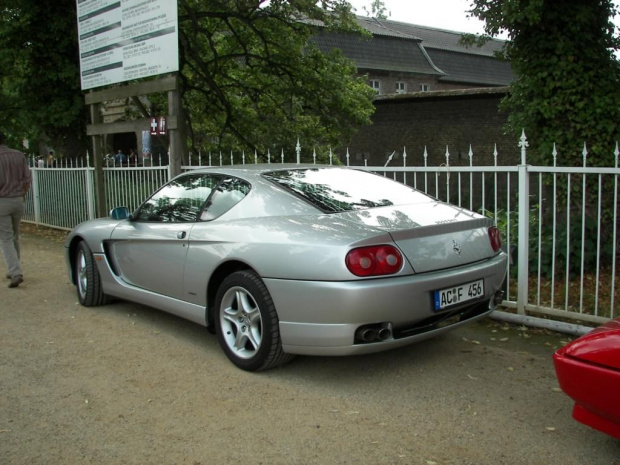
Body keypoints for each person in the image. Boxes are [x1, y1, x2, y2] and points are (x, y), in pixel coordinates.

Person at [0, 131, 32, 288]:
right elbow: (27, 179)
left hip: (2, 201)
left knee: (5, 238)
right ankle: (13, 268)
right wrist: (22, 194)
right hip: (18, 199)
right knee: (14, 235)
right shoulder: (18, 155)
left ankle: (15, 272)